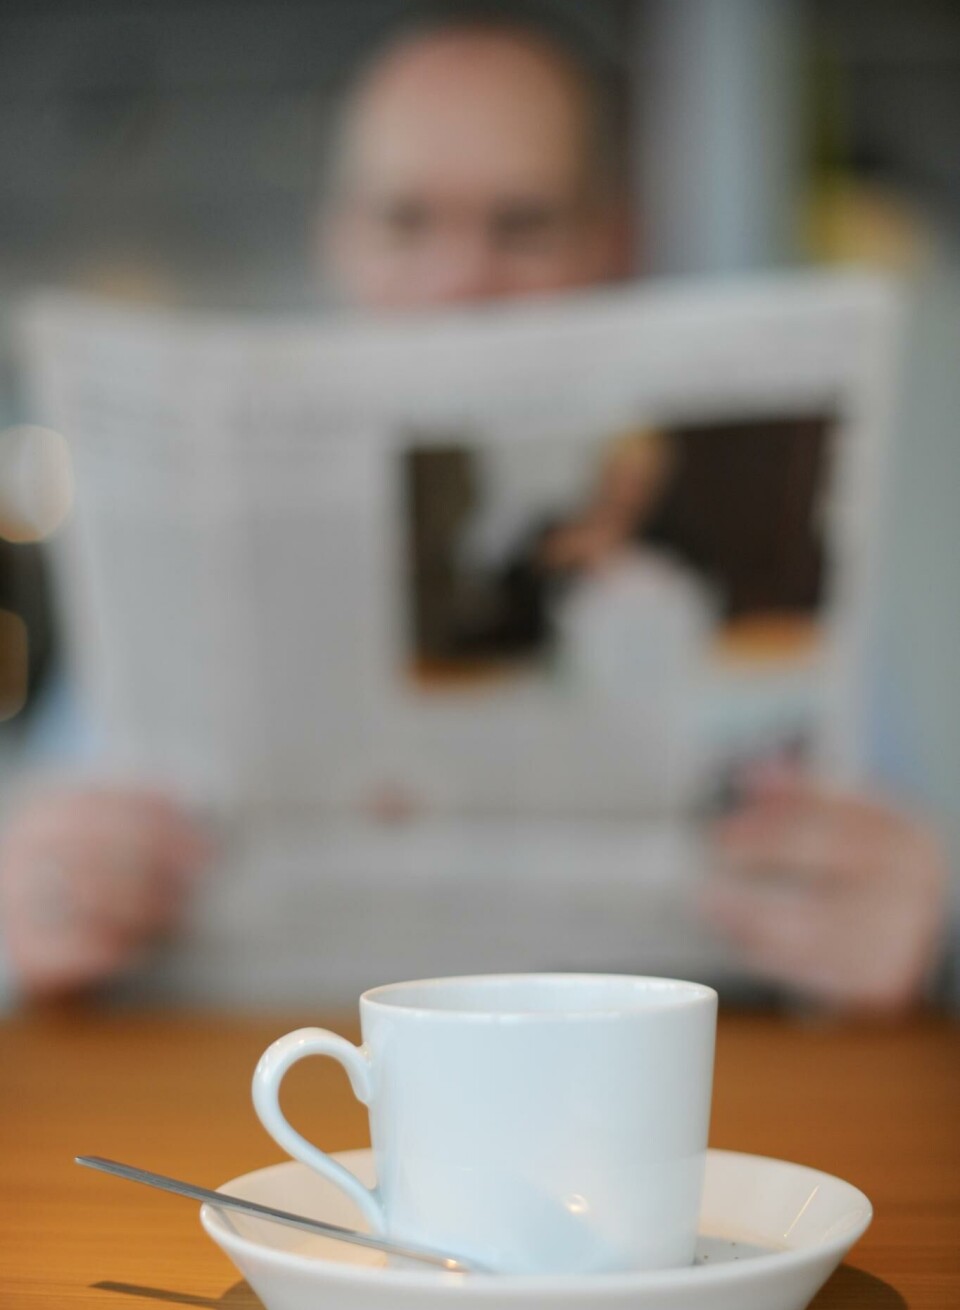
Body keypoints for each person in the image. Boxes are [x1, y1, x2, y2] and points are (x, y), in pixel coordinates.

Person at [0, 5, 947, 1011]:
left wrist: (926, 932)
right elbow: (43, 868)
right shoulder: (203, 544)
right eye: (406, 222)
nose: (460, 283)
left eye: (522, 225)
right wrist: (38, 896)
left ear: (615, 242)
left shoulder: (741, 548)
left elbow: (892, 863)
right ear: (337, 242)